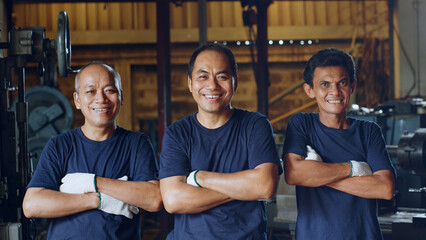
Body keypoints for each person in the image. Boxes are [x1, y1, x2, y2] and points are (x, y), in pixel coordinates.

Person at [22, 62, 162, 240]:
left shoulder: (136, 143)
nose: (101, 99)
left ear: (121, 97)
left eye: (110, 90)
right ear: (77, 100)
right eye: (90, 91)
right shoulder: (59, 145)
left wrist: (91, 182)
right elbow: (32, 205)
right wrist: (98, 200)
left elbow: (154, 199)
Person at [159, 43, 283, 240]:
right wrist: (244, 188)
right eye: (203, 76)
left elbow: (265, 187)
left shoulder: (255, 125)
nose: (212, 85)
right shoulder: (177, 133)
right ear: (190, 83)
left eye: (222, 77)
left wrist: (200, 178)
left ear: (235, 82)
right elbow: (174, 200)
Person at [282, 48, 396, 240]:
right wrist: (354, 168)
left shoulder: (368, 131)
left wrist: (317, 173)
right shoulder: (302, 124)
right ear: (309, 90)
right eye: (324, 84)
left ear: (352, 86)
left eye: (341, 83)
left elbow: (385, 189)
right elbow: (294, 174)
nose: (334, 92)